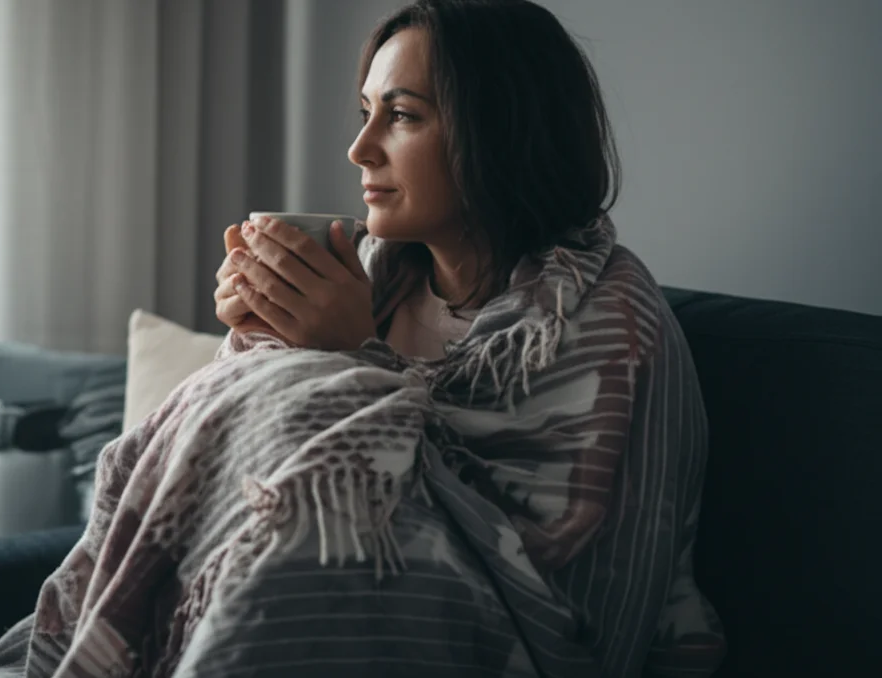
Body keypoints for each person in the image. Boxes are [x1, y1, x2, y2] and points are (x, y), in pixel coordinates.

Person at [209, 0, 727, 674]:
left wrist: (350, 361)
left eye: (401, 116)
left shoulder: (609, 327)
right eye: (364, 112)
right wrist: (253, 347)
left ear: (501, 130)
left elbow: (568, 609)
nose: (359, 148)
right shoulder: (371, 276)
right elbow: (241, 468)